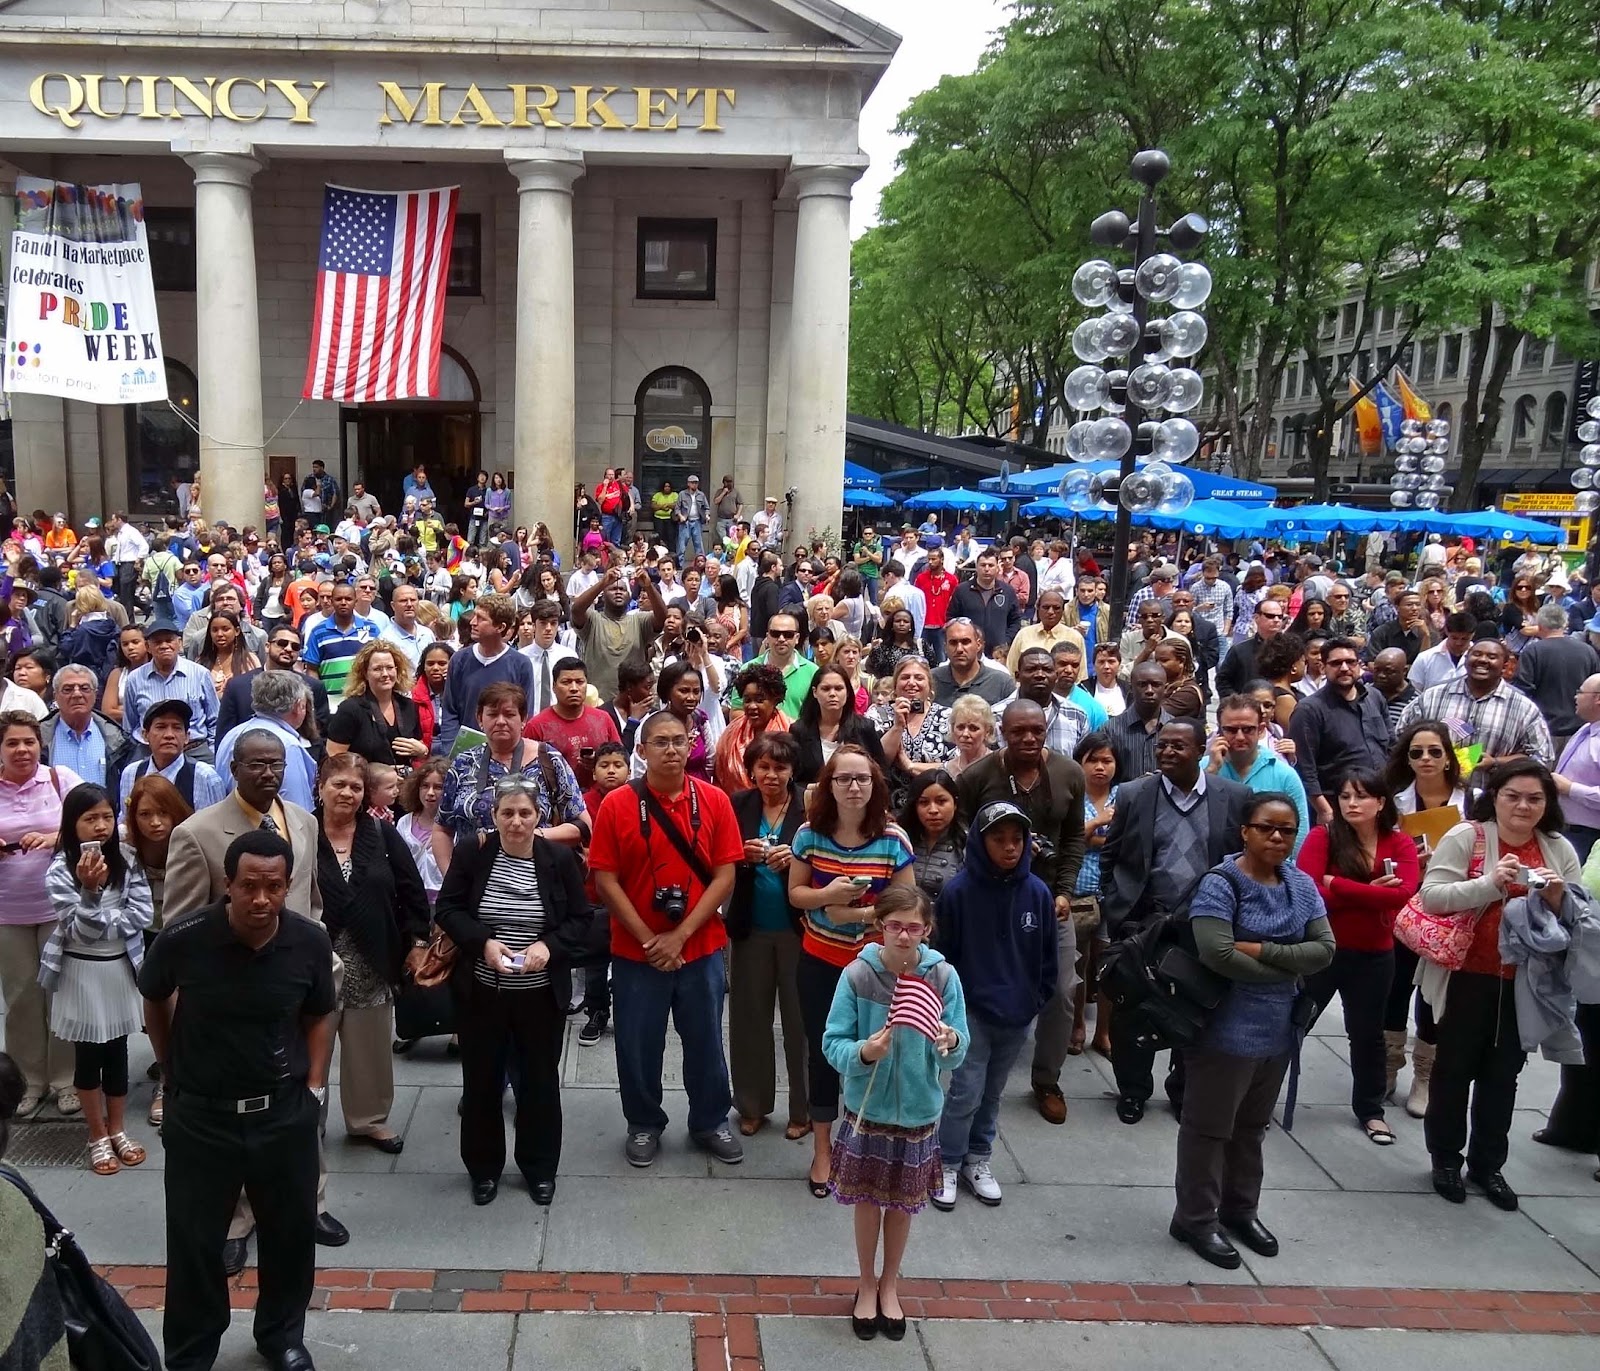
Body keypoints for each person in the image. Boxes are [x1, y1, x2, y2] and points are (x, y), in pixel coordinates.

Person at [140, 829, 334, 1371]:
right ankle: (192, 1348)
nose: (261, 899)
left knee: (290, 1235)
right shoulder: (184, 938)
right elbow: (154, 998)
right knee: (195, 1241)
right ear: (228, 884)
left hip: (282, 1113)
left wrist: (314, 1087)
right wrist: (171, 1065)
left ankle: (281, 1335)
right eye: (249, 886)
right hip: (201, 1116)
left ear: (287, 885)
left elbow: (319, 1013)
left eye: (273, 887)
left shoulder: (308, 942)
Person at [1170, 792, 1335, 1269]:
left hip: (1278, 1030)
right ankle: (1195, 1219)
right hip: (1223, 1029)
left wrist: (1261, 953)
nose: (1278, 837)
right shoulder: (1221, 885)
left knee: (1251, 1128)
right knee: (1208, 1130)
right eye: (1267, 827)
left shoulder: (1300, 885)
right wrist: (1290, 963)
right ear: (1245, 831)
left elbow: (1325, 949)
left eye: (1287, 829)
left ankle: (1240, 1211)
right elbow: (1218, 954)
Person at [1418, 760, 1583, 1211]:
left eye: (1534, 798)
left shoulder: (1558, 849)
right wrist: (1489, 884)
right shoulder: (1467, 836)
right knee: (1452, 1071)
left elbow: (1579, 919)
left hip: (1525, 985)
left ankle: (1488, 1165)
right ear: (1495, 797)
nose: (1523, 806)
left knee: (1503, 1077)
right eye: (1513, 796)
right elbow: (1432, 896)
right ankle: (1446, 1160)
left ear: (1547, 803)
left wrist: (1557, 897)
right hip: (1465, 976)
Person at [589, 709, 745, 1168]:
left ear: (692, 744)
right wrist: (649, 939)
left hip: (699, 947)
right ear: (641, 750)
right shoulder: (617, 805)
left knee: (706, 1039)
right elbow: (605, 880)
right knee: (637, 1042)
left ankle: (711, 1120)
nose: (672, 749)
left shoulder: (714, 800)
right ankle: (643, 1123)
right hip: (637, 952)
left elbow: (725, 876)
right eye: (661, 741)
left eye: (680, 740)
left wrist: (679, 935)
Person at [432, 772, 591, 1206]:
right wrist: (482, 942)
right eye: (508, 813)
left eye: (525, 813)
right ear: (495, 817)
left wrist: (548, 946)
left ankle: (539, 1169)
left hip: (540, 996)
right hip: (484, 993)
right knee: (481, 1082)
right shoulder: (474, 853)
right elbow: (447, 908)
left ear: (538, 816)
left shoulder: (558, 860)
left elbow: (581, 920)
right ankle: (483, 1170)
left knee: (539, 1083)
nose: (516, 821)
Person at [822, 885, 966, 1341]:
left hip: (919, 1111)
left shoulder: (943, 977)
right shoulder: (858, 976)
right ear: (879, 926)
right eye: (894, 926)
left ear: (927, 929)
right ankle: (866, 1283)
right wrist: (864, 1052)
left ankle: (890, 1284)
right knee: (867, 1203)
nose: (904, 937)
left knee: (902, 1207)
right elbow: (832, 1042)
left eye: (914, 927)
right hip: (869, 1110)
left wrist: (950, 1043)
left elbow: (959, 1042)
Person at [1100, 718, 1252, 1123]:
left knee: (1197, 1005)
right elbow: (1111, 855)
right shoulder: (1134, 794)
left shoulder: (1233, 796)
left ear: (1201, 750)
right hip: (1143, 921)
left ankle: (1183, 1090)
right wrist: (1114, 906)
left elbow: (1241, 859)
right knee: (1132, 1007)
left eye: (1177, 746)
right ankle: (1132, 1091)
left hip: (1204, 922)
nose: (1166, 752)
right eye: (1162, 745)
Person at [788, 746, 915, 1195]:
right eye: (843, 779)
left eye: (862, 779)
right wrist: (828, 898)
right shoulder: (809, 835)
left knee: (873, 1054)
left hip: (875, 969)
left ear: (875, 784)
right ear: (829, 786)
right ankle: (823, 1150)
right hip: (819, 959)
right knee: (824, 1055)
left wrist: (858, 916)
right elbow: (797, 894)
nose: (854, 787)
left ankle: (864, 1145)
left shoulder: (893, 840)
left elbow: (906, 910)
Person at [952, 699, 1085, 1124]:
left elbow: (1074, 837)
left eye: (1036, 731)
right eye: (1017, 732)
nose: (1028, 738)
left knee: (1062, 990)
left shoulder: (1068, 774)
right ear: (1001, 732)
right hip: (989, 899)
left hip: (1049, 899)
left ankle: (1046, 1078)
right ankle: (972, 1068)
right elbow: (963, 836)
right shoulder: (977, 777)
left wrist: (1064, 890)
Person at [932, 801, 1056, 1211]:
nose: (1009, 848)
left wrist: (1035, 999)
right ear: (979, 843)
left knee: (993, 1093)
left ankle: (977, 1158)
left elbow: (1047, 958)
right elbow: (944, 956)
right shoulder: (958, 892)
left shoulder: (1037, 893)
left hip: (1017, 1012)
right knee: (965, 1091)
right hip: (971, 1013)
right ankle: (946, 1161)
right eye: (998, 839)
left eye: (1017, 839)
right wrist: (950, 1011)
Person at [1295, 770, 1420, 1143]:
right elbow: (1308, 892)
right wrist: (1367, 892)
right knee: (1295, 1024)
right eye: (1345, 796)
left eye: (1361, 797)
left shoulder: (1398, 844)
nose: (1351, 803)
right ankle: (1258, 1099)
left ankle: (1371, 1110)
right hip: (1322, 950)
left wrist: (1339, 884)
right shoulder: (1323, 837)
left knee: (1368, 1035)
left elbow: (1402, 894)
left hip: (1375, 954)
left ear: (1380, 803)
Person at [314, 754, 429, 1155]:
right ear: (321, 786)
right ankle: (306, 1121)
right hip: (316, 963)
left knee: (370, 1051)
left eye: (356, 787)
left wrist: (417, 943)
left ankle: (368, 1120)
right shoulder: (300, 831)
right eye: (339, 784)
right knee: (308, 1048)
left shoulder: (379, 834)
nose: (347, 793)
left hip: (372, 959)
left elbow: (412, 890)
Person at [40, 782, 153, 1174]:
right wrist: (90, 892)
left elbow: (141, 915)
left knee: (118, 1052)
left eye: (107, 817)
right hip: (81, 972)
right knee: (88, 1056)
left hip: (119, 967)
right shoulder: (59, 870)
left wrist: (102, 919)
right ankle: (96, 1134)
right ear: (73, 825)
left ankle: (118, 1129)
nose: (101, 826)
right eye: (90, 819)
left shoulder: (128, 859)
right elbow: (79, 932)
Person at [727, 732, 809, 1139]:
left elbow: (827, 856)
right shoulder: (737, 804)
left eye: (780, 767)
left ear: (793, 770)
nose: (771, 775)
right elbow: (717, 857)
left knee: (801, 1022)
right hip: (749, 928)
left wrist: (797, 857)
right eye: (763, 766)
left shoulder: (811, 806)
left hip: (801, 931)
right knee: (749, 1018)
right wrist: (740, 856)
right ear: (752, 770)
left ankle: (805, 1108)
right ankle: (752, 1104)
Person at [0, 711, 82, 1119]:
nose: (22, 750)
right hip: (7, 913)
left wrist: (55, 837)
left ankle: (65, 1080)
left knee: (59, 995)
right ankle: (28, 1082)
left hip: (58, 908)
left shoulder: (59, 780)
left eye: (29, 742)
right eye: (12, 743)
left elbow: (98, 823)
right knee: (20, 1000)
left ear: (40, 744)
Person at [124, 772, 193, 1127]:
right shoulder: (123, 846)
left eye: (163, 813)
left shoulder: (190, 840)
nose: (155, 822)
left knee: (179, 1002)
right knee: (153, 1002)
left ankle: (171, 1075)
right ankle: (165, 1068)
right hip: (137, 935)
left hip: (180, 932)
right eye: (145, 814)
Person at [1399, 637, 1554, 774]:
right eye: (1477, 654)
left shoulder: (1524, 708)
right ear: (1466, 659)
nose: (1482, 660)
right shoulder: (1432, 697)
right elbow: (1401, 737)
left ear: (1506, 666)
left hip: (1491, 798)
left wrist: (1497, 763)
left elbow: (1542, 758)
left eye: (1492, 657)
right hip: (1436, 798)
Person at [1288, 638, 1394, 824]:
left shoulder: (1375, 698)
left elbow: (1392, 747)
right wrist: (1325, 811)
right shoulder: (1309, 710)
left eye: (1350, 662)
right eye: (1336, 663)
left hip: (1380, 804)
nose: (1344, 668)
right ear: (1323, 668)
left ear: (1359, 665)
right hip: (1337, 810)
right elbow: (1304, 768)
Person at [1209, 693, 1310, 853]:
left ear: (1261, 729)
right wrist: (1211, 771)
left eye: (1248, 729)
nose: (1240, 736)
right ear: (1220, 731)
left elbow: (1300, 834)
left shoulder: (1285, 775)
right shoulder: (1204, 769)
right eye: (1231, 730)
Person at [119, 603, 219, 758]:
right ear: (148, 646)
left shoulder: (200, 674)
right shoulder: (135, 679)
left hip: (194, 750)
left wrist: (211, 750)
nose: (164, 646)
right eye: (157, 642)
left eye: (169, 640)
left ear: (179, 643)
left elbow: (215, 720)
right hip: (148, 752)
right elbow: (130, 725)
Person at [213, 676, 318, 812]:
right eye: (304, 706)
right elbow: (297, 810)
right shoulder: (287, 745)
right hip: (268, 828)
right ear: (298, 706)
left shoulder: (232, 734)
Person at [571, 565, 668, 703]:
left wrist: (648, 586)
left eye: (622, 589)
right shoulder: (593, 620)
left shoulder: (639, 621)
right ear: (603, 596)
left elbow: (663, 616)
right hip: (598, 702)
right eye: (612, 588)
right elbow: (576, 610)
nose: (618, 592)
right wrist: (603, 583)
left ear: (629, 596)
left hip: (633, 703)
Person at [324, 642, 427, 770]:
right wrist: (378, 775)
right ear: (365, 674)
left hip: (403, 786)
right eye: (377, 669)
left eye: (389, 667)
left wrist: (422, 751)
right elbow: (334, 760)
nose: (385, 674)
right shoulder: (350, 709)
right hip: (365, 786)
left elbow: (419, 745)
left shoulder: (408, 706)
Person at [522, 658, 620, 791]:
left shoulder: (603, 719)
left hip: (600, 801)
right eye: (566, 682)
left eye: (579, 682)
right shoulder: (536, 726)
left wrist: (599, 762)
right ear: (554, 687)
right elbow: (524, 774)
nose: (574, 688)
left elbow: (620, 758)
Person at [1514, 602, 1600, 753]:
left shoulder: (1533, 651)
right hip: (1581, 730)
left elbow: (1522, 690)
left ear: (1539, 625)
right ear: (1565, 624)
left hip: (1544, 730)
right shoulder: (1588, 651)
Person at [42, 662, 136, 793]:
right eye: (68, 689)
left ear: (95, 695)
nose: (77, 694)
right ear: (55, 696)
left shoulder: (117, 739)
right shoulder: (39, 739)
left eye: (84, 688)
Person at [789, 664, 887, 786]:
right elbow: (793, 779)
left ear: (847, 692)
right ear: (815, 692)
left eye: (838, 688)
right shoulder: (799, 731)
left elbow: (881, 774)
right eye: (825, 689)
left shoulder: (864, 727)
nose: (832, 694)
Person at [1553, 671, 1600, 862]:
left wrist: (1570, 789)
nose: (1575, 696)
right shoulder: (1586, 729)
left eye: (1580, 692)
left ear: (1597, 699)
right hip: (1561, 828)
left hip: (1587, 836)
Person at [900, 769, 964, 905]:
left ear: (955, 804)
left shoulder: (968, 843)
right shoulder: (901, 840)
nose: (933, 810)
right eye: (924, 802)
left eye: (941, 801)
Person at [1104, 661, 1172, 781]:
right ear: (1131, 687)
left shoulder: (1175, 729)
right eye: (1142, 684)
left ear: (1165, 688)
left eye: (1156, 685)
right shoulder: (1110, 729)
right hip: (1123, 798)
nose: (1149, 690)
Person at [1215, 594, 1288, 699]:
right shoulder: (1239, 650)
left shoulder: (1289, 649)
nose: (1276, 620)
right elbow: (1223, 680)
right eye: (1270, 616)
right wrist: (1238, 702)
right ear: (1256, 618)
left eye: (1280, 617)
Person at [931, 618, 1014, 708]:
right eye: (953, 643)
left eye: (965, 642)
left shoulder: (1002, 683)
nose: (959, 649)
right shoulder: (930, 681)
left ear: (978, 645)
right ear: (945, 647)